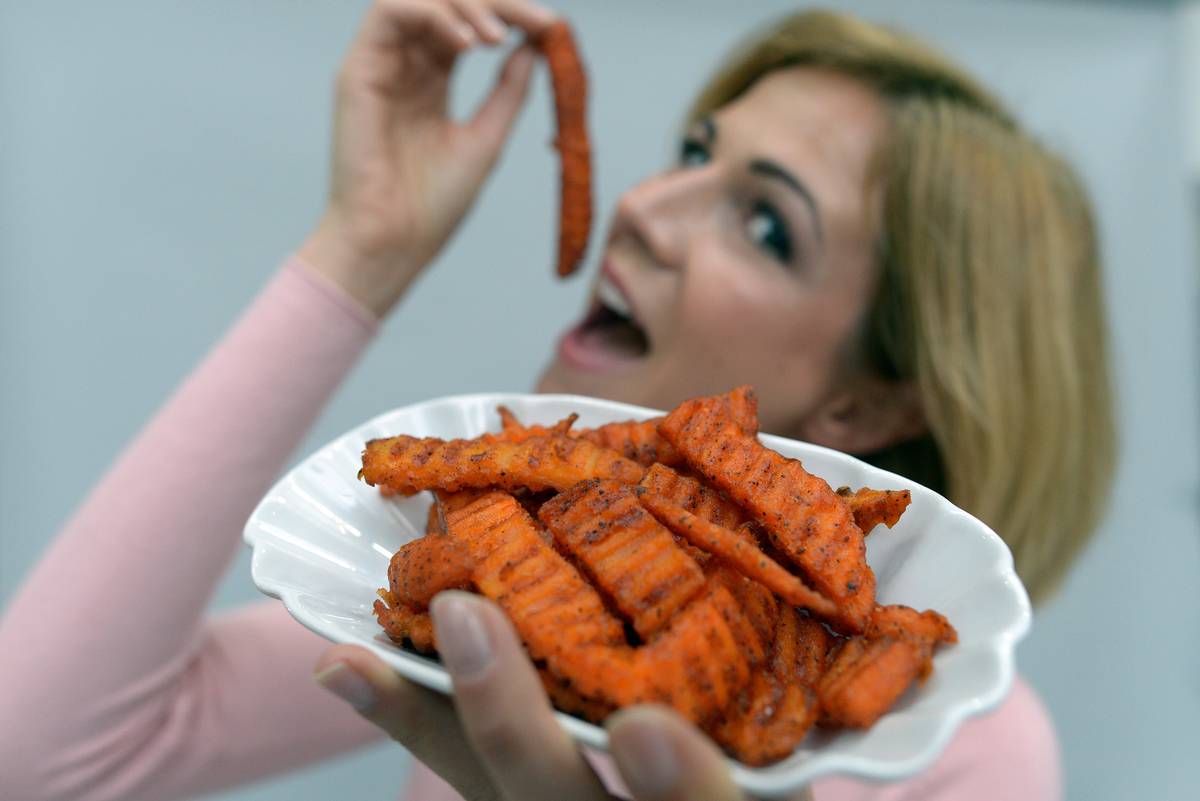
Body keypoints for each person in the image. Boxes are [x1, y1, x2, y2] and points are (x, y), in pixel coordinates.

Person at [0, 1, 1115, 800]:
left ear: (869, 411)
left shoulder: (965, 753)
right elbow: (45, 752)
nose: (639, 204)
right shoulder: (500, 576)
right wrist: (365, 246)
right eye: (693, 151)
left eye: (765, 224)